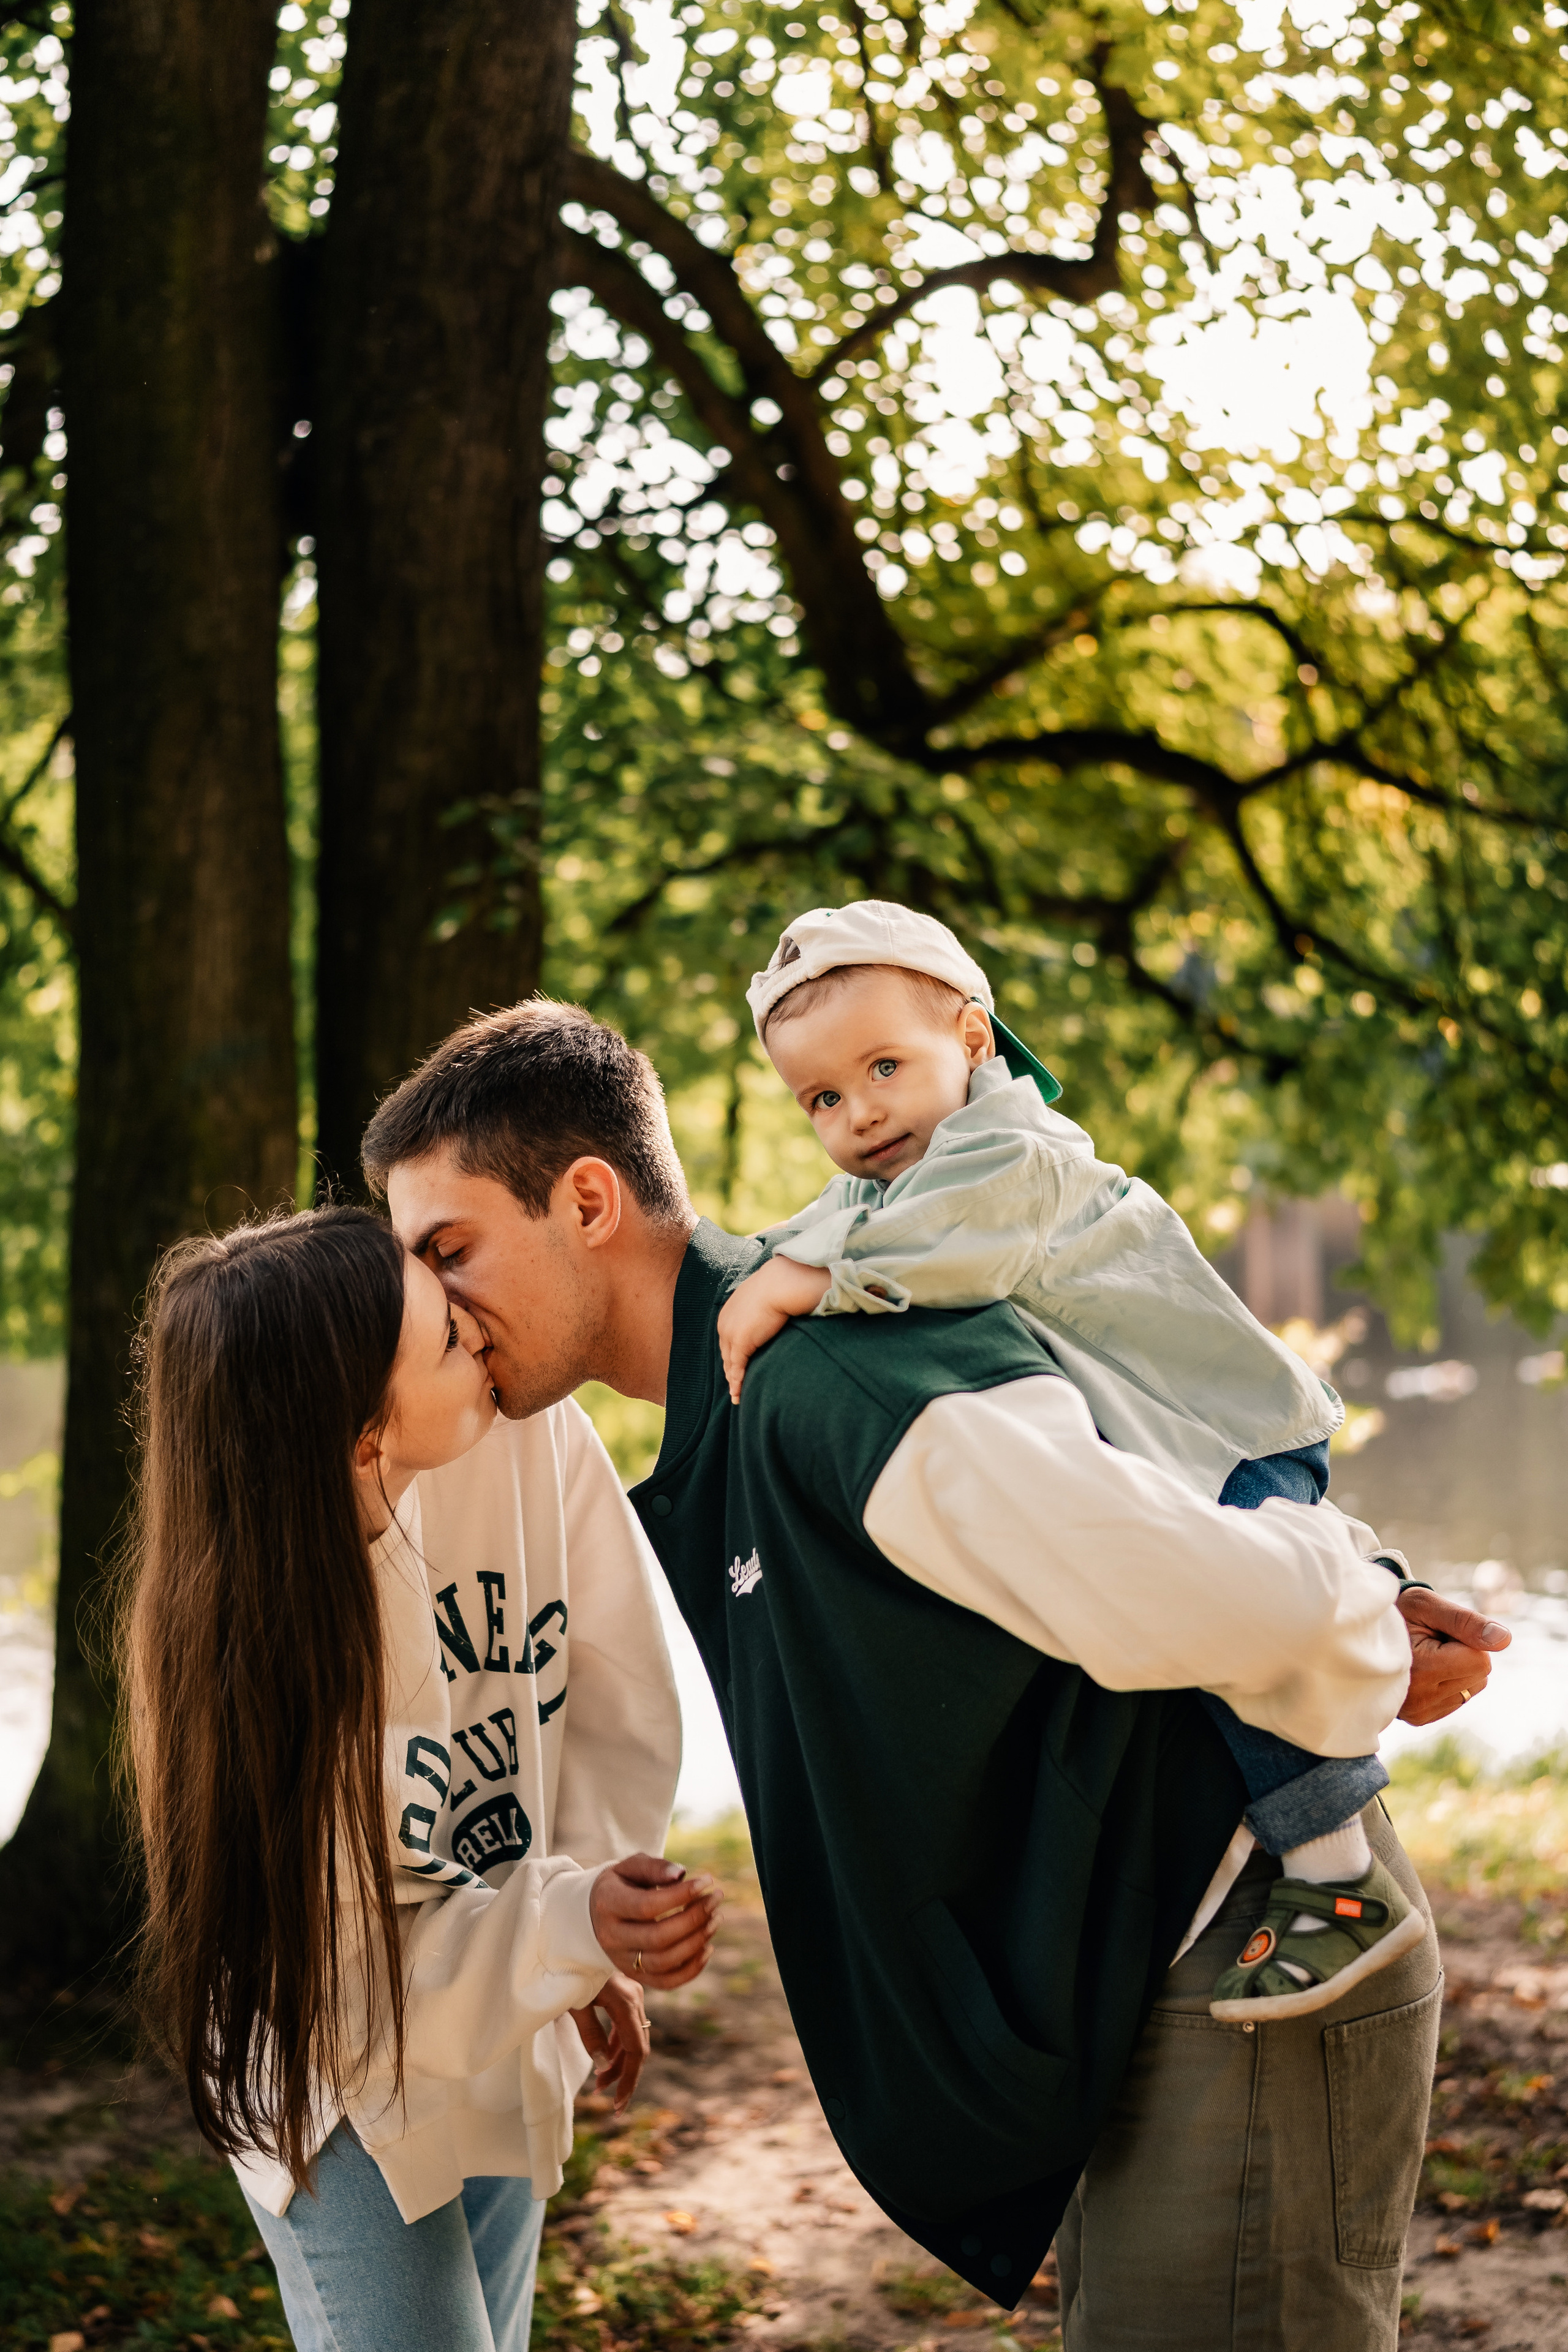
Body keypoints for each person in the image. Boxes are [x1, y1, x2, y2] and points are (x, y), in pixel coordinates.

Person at [366, 995, 1510, 2349]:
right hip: (1134, 1978)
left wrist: (1368, 1637)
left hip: (1247, 1950)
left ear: (589, 1200)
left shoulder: (819, 1377)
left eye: (450, 1249)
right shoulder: (742, 1392)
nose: (427, 1304)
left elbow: (1157, 1561)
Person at [715, 899, 1419, 2023]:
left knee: (1239, 1648)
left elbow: (939, 1246)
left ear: (976, 1039)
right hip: (1164, 1437)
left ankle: (1342, 1880)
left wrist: (801, 1281)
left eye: (886, 1064)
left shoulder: (1013, 1156)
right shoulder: (893, 1181)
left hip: (1218, 1432)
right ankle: (1371, 1597)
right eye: (825, 1099)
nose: (861, 1113)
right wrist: (771, 1258)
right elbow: (830, 1223)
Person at [119, 1205, 721, 2352]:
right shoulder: (273, 1666)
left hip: (493, 2019)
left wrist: (587, 1920)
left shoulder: (516, 1430)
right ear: (360, 1438)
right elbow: (368, 1984)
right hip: (343, 2071)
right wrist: (568, 1924)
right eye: (444, 1336)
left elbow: (617, 1691)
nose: (481, 1336)